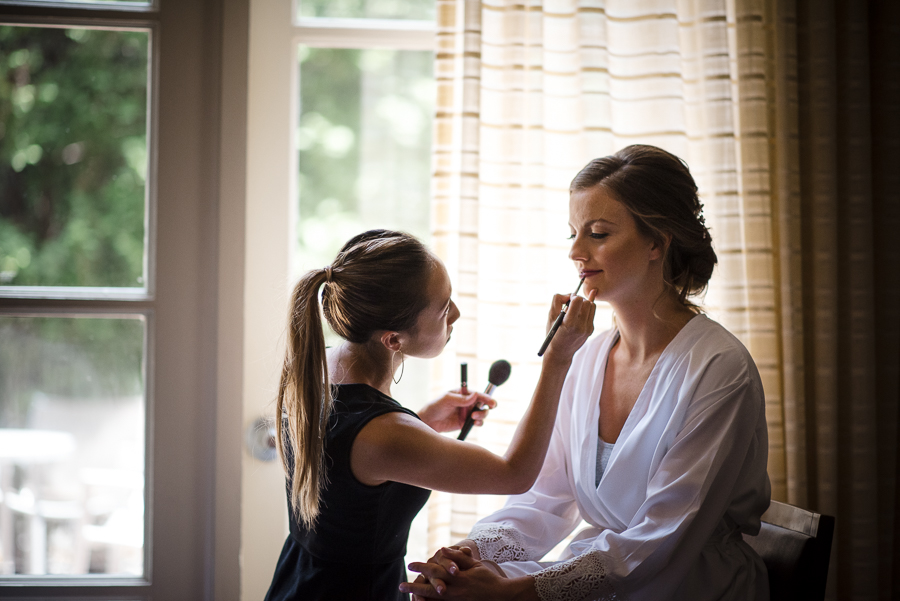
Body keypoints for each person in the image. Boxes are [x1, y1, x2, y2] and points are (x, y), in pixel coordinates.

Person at [403, 145, 772, 601]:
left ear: (657, 241)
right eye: (574, 233)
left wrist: (520, 592)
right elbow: (543, 499)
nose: (577, 251)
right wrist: (469, 553)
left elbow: (665, 534)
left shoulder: (719, 369)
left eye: (598, 233)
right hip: (606, 577)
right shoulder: (587, 357)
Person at [263, 229, 597, 601]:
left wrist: (422, 422)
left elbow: (348, 470)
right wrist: (558, 359)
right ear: (393, 340)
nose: (455, 313)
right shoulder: (385, 435)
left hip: (297, 581)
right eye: (444, 307)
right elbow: (515, 474)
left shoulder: (317, 370)